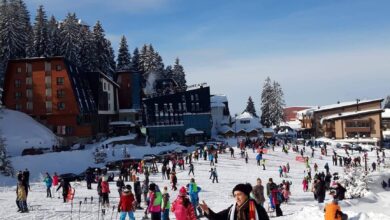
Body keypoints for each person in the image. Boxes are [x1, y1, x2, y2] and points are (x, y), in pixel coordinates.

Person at [200, 183, 269, 220]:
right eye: (235, 195)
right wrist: (207, 211)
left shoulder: (258, 209)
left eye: (239, 194)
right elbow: (218, 218)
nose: (237, 198)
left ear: (246, 195)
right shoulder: (232, 209)